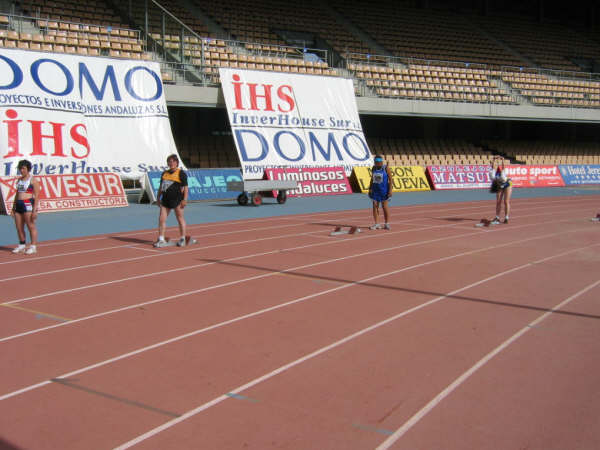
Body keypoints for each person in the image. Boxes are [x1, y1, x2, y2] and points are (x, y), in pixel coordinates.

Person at [154, 154, 189, 247]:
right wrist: (158, 198)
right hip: (165, 200)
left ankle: (182, 238)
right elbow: (161, 187)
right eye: (169, 161)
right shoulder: (164, 173)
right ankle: (161, 239)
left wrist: (185, 199)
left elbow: (185, 188)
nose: (171, 163)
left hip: (178, 200)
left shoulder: (181, 173)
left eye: (173, 161)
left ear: (177, 163)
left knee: (180, 218)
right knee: (161, 219)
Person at [12, 160, 40, 254]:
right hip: (19, 204)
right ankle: (22, 245)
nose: (21, 170)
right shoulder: (19, 180)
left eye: (23, 168)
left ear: (28, 169)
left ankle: (33, 246)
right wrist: (13, 207)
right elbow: (17, 194)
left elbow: (37, 196)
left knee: (30, 226)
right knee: (19, 227)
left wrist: (35, 210)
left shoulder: (33, 180)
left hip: (28, 204)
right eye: (20, 168)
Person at [368, 155, 393, 230]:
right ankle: (376, 224)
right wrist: (370, 189)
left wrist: (390, 190)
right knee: (375, 207)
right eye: (376, 162)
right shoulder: (373, 168)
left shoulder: (386, 168)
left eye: (379, 162)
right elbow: (372, 179)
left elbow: (391, 180)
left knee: (384, 207)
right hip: (375, 190)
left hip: (384, 191)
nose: (378, 164)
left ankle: (387, 223)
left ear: (381, 162)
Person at [489, 155, 512, 224]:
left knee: (506, 201)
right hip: (499, 185)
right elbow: (492, 166)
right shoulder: (492, 176)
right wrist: (493, 159)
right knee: (498, 201)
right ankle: (497, 217)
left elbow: (503, 167)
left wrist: (502, 160)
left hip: (507, 184)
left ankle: (506, 218)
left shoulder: (502, 175)